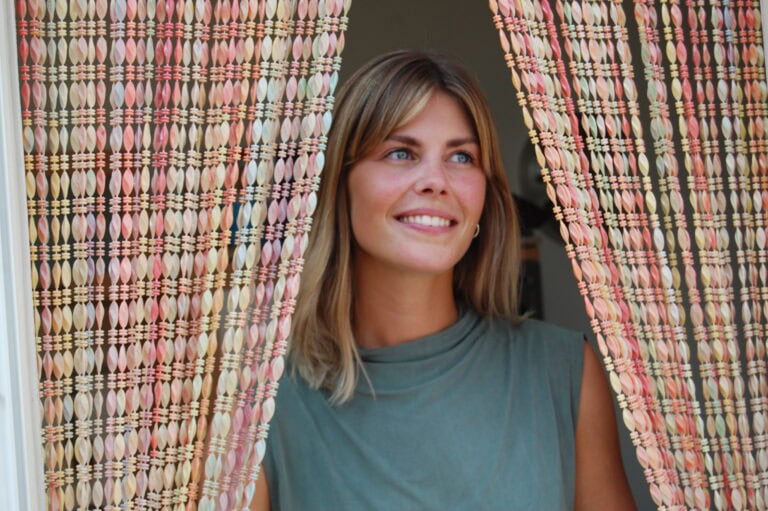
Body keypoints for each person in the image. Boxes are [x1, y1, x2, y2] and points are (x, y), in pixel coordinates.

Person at [250, 50, 636, 510]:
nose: (435, 180)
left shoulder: (563, 371)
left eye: (461, 156)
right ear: (340, 183)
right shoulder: (264, 402)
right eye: (400, 153)